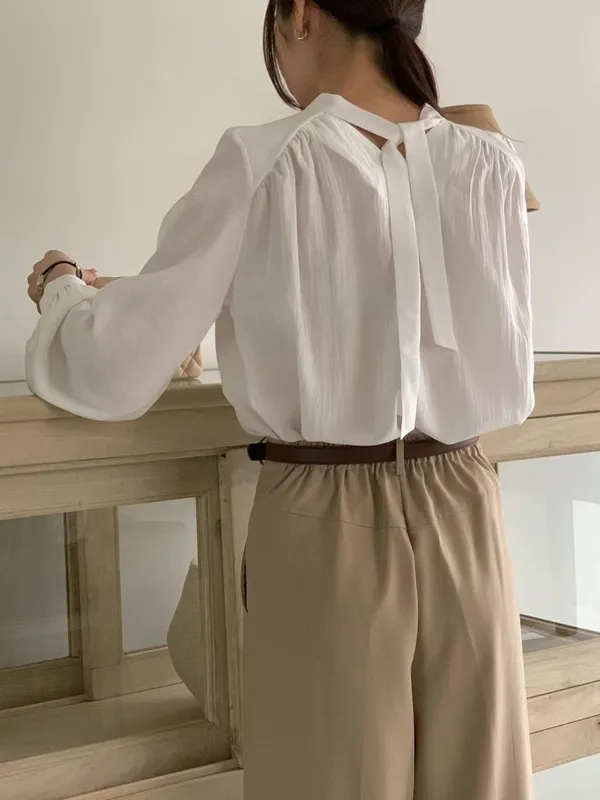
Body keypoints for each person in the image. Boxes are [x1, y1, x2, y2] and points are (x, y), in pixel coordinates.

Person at [26, 0, 534, 797]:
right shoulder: (492, 162)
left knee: (327, 779)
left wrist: (61, 289)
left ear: (298, 13)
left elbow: (115, 368)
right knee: (479, 780)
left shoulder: (264, 160)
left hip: (325, 515)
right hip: (469, 503)